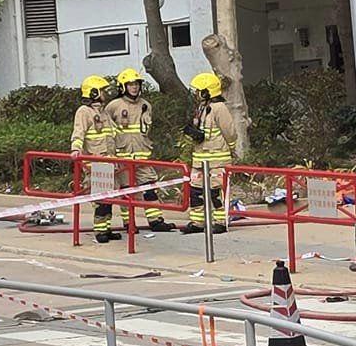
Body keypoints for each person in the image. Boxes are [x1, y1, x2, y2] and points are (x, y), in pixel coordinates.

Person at [105, 68, 171, 232]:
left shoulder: (146, 105)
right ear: (123, 87)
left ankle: (155, 221)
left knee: (149, 188)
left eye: (136, 84)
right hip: (123, 157)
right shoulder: (113, 106)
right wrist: (111, 155)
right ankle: (129, 223)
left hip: (142, 157)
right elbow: (107, 133)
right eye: (130, 84)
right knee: (127, 192)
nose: (134, 87)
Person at [180, 71, 237, 235]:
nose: (196, 93)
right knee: (196, 192)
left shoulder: (219, 108)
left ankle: (221, 222)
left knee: (216, 192)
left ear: (207, 91)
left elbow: (230, 132)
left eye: (199, 90)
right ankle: (197, 222)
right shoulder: (202, 107)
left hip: (217, 159)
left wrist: (230, 148)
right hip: (199, 159)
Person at [69, 75, 118, 242]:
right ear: (94, 92)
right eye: (102, 90)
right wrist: (76, 149)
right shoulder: (84, 112)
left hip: (108, 161)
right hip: (95, 162)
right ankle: (100, 231)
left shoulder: (103, 113)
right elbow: (78, 133)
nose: (105, 93)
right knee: (101, 200)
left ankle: (106, 228)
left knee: (109, 198)